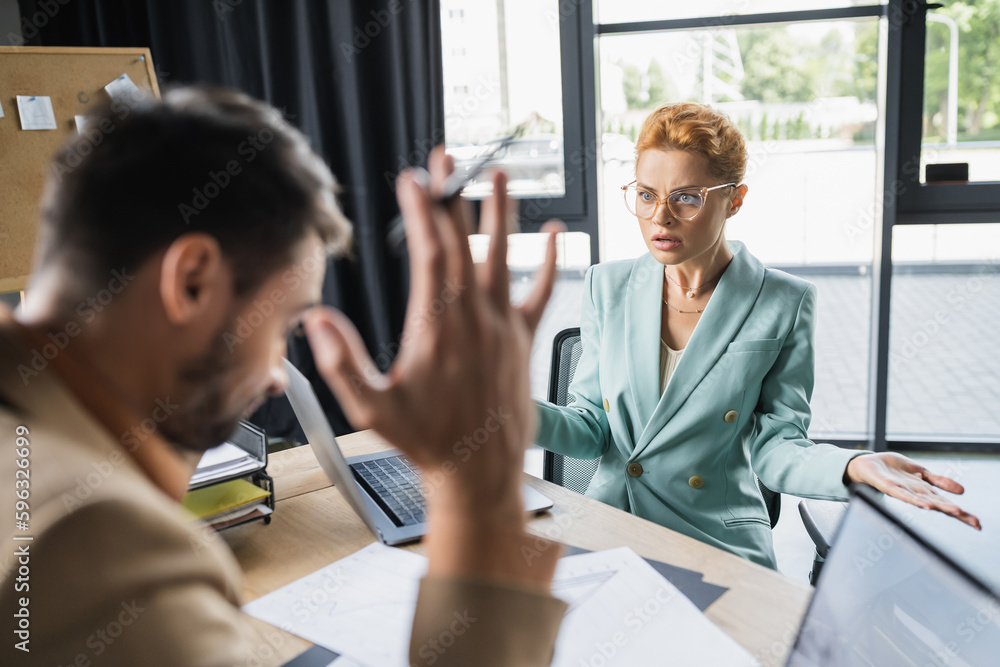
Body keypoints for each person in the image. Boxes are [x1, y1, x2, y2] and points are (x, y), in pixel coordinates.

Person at [0, 86, 566, 666]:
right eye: (283, 324)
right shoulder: (101, 550)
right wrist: (476, 497)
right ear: (192, 281)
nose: (276, 377)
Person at [534, 102, 980, 569]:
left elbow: (777, 447)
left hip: (713, 543)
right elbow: (588, 430)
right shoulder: (606, 286)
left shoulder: (783, 302)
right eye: (646, 194)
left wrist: (849, 467)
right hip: (610, 530)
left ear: (735, 199)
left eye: (686, 197)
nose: (660, 217)